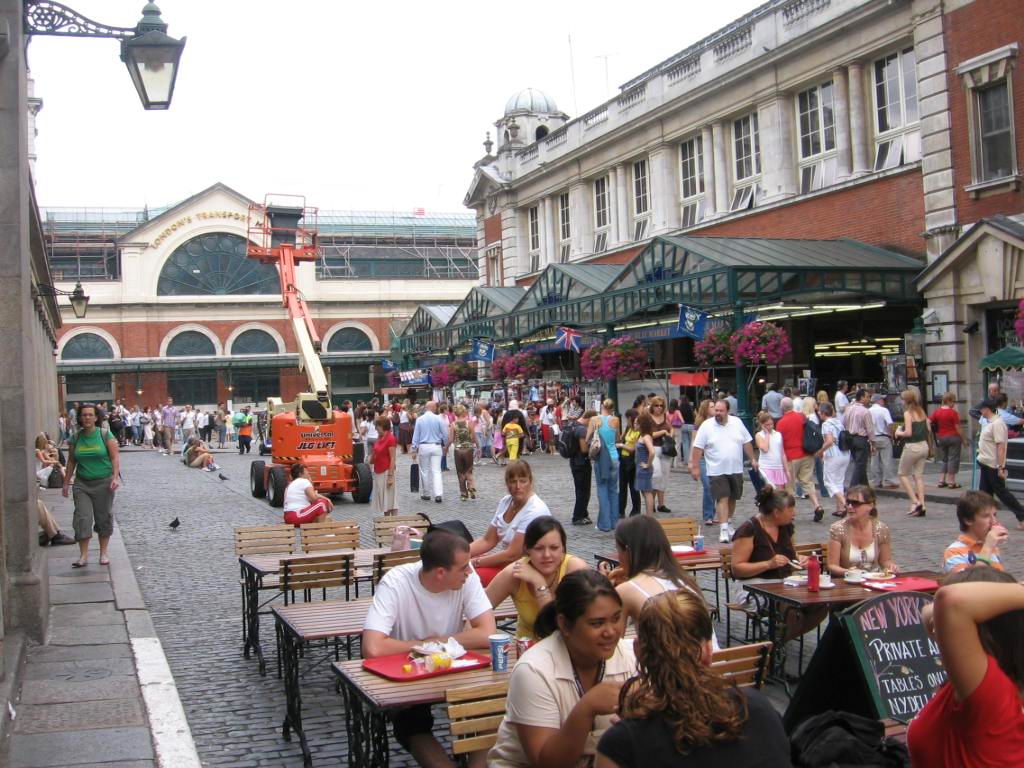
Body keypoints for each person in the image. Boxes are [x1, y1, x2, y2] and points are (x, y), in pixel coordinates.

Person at [595, 590, 792, 768]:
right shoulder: (759, 709)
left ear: (638, 651)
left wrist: (632, 729)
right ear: (707, 650)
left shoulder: (621, 745)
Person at [363, 528, 496, 768]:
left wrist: (440, 642)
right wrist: (426, 646)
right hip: (408, 677)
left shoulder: (466, 576)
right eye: (463, 567)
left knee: (486, 707)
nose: (470, 570)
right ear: (440, 573)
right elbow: (372, 648)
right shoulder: (396, 581)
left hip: (454, 671)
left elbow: (487, 632)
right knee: (412, 723)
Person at [488, 570, 636, 768]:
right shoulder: (534, 670)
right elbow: (547, 763)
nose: (611, 632)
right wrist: (586, 708)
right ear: (565, 624)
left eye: (617, 618)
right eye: (597, 623)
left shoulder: (630, 657)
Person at [907, 568, 1024, 766]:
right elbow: (931, 611)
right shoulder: (971, 675)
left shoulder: (992, 693)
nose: (938, 629)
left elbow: (950, 601)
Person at [485, 517, 588, 641]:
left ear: (563, 548)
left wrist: (539, 583)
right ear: (527, 549)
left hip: (569, 649)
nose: (547, 555)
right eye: (539, 548)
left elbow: (556, 631)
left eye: (554, 548)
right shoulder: (515, 572)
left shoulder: (575, 570)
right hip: (526, 650)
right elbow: (479, 610)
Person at [607, 515, 706, 630]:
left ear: (628, 551)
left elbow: (613, 639)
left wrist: (608, 589)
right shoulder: (685, 580)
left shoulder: (626, 590)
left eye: (618, 549)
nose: (618, 556)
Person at [469, 461, 551, 585]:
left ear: (530, 481)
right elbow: (488, 540)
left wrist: (474, 562)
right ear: (507, 483)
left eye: (523, 481)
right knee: (457, 566)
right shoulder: (505, 501)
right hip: (508, 564)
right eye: (513, 482)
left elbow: (512, 555)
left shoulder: (535, 510)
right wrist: (459, 554)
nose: (518, 486)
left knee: (468, 576)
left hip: (525, 569)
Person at [690, 400, 758, 544]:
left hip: (735, 468)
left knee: (733, 497)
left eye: (721, 411)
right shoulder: (707, 426)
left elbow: (747, 442)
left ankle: (728, 522)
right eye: (716, 410)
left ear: (727, 411)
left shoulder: (737, 423)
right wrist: (695, 466)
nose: (718, 413)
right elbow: (697, 447)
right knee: (722, 497)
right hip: (716, 469)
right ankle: (723, 529)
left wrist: (753, 459)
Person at [63, 404, 120, 568]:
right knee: (82, 518)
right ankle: (83, 555)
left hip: (104, 483)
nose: (87, 418)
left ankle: (103, 553)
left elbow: (115, 458)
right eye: (84, 415)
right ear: (80, 418)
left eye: (90, 415)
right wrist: (66, 483)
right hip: (82, 484)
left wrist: (115, 478)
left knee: (103, 518)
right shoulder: (76, 438)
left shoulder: (105, 435)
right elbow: (71, 461)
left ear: (96, 417)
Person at [730, 486, 805, 580]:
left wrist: (800, 560)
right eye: (790, 510)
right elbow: (737, 569)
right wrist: (768, 564)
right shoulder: (748, 529)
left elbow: (791, 555)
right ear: (776, 512)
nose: (794, 513)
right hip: (753, 586)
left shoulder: (786, 526)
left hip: (784, 583)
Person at [826, 485, 899, 576]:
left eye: (855, 503)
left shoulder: (881, 529)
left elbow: (885, 561)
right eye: (848, 502)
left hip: (873, 580)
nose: (850, 507)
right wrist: (849, 573)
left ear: (870, 505)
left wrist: (891, 567)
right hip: (847, 582)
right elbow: (832, 565)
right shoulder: (838, 529)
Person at [974, 397, 1024, 528]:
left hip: (993, 464)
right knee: (985, 494)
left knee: (1001, 492)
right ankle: (988, 520)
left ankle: (1022, 515)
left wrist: (1001, 467)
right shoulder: (990, 422)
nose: (980, 410)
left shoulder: (997, 423)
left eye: (982, 408)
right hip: (985, 462)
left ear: (986, 409)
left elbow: (1001, 447)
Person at [776, 397, 824, 522]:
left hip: (791, 456)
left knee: (789, 486)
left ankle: (791, 512)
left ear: (781, 408)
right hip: (806, 453)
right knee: (807, 481)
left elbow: (779, 443)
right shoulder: (802, 416)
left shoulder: (781, 423)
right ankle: (817, 506)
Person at [943, 490, 1008, 573]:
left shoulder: (993, 549)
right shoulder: (954, 552)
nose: (994, 521)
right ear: (968, 520)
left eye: (994, 515)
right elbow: (969, 583)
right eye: (986, 516)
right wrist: (988, 547)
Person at [895, 389, 931, 518]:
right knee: (918, 476)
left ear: (905, 401)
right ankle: (922, 504)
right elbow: (928, 428)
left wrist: (899, 432)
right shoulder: (921, 411)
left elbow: (908, 433)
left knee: (902, 474)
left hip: (912, 446)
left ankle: (915, 502)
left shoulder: (908, 413)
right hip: (923, 445)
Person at [587, 399, 621, 532]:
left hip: (601, 458)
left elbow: (588, 437)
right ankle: (614, 522)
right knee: (613, 490)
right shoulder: (616, 420)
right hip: (614, 457)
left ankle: (604, 523)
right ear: (612, 408)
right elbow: (618, 438)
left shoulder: (594, 420)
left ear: (602, 406)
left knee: (602, 489)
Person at [929, 392, 968, 489]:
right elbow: (958, 428)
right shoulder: (953, 413)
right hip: (953, 437)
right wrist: (964, 440)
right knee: (953, 458)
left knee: (945, 459)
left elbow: (928, 421)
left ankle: (941, 480)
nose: (954, 404)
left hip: (941, 438)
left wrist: (931, 432)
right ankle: (951, 481)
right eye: (953, 401)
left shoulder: (937, 412)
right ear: (949, 401)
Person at [411, 401, 447, 504]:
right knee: (437, 471)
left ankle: (426, 493)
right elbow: (445, 434)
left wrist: (414, 448)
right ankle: (438, 494)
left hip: (424, 446)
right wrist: (445, 445)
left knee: (424, 471)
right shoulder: (439, 418)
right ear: (433, 407)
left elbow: (416, 435)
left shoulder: (420, 419)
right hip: (436, 446)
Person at [818, 402, 850, 517]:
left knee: (829, 482)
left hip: (833, 455)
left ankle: (845, 504)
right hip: (845, 453)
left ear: (823, 413)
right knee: (839, 481)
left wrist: (820, 451)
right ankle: (840, 508)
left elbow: (829, 441)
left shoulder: (826, 424)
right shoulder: (838, 422)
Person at [568, 410, 594, 527]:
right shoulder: (582, 429)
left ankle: (583, 513)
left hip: (574, 462)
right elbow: (584, 449)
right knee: (583, 490)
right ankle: (577, 516)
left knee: (581, 489)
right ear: (590, 419)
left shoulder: (573, 425)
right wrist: (594, 450)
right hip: (581, 463)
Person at [841, 388, 873, 486]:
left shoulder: (848, 409)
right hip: (861, 439)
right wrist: (873, 442)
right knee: (860, 465)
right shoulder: (865, 411)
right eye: (867, 397)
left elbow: (843, 423)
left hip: (850, 438)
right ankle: (852, 489)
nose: (869, 399)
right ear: (862, 397)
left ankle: (865, 487)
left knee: (859, 464)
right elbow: (870, 429)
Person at [646, 397, 672, 514]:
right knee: (656, 475)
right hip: (653, 448)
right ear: (652, 406)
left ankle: (661, 504)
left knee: (664, 477)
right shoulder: (648, 418)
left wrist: (670, 434)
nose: (659, 408)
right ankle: (651, 502)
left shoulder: (665, 416)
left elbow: (671, 429)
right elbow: (648, 434)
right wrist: (663, 432)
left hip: (666, 449)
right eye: (657, 405)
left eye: (661, 405)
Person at [691, 399, 715, 525]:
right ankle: (708, 515)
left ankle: (713, 512)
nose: (714, 409)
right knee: (708, 486)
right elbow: (694, 443)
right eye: (712, 407)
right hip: (702, 458)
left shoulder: (717, 423)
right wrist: (692, 462)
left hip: (714, 458)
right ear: (706, 409)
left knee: (715, 485)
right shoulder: (699, 424)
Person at [866, 393, 897, 489]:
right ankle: (888, 480)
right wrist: (891, 435)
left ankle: (875, 481)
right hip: (884, 437)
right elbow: (890, 424)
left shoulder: (868, 411)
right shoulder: (884, 410)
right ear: (878, 400)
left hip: (873, 437)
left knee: (874, 461)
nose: (884, 401)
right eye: (882, 399)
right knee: (886, 460)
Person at [371, 415, 398, 516]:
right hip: (378, 471)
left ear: (382, 426)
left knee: (391, 500)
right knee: (385, 500)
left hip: (386, 471)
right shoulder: (380, 438)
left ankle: (393, 523)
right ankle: (387, 522)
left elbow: (392, 458)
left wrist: (390, 476)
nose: (375, 429)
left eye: (377, 426)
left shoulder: (390, 439)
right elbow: (374, 455)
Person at [615, 409, 641, 518]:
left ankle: (636, 509)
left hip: (632, 460)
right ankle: (621, 510)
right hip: (623, 459)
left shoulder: (639, 432)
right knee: (622, 486)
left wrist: (621, 446)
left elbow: (633, 448)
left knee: (633, 487)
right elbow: (622, 439)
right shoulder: (628, 428)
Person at [754, 411, 789, 489]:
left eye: (771, 424)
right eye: (767, 425)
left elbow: (782, 453)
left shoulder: (778, 434)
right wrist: (767, 434)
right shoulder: (759, 435)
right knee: (769, 493)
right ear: (762, 425)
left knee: (780, 493)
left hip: (778, 466)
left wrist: (786, 470)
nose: (770, 427)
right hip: (766, 466)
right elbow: (765, 449)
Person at [633, 414, 658, 516]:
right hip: (640, 467)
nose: (634, 425)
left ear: (641, 424)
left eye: (636, 423)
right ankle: (649, 515)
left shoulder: (646, 437)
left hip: (644, 468)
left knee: (647, 492)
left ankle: (649, 516)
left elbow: (652, 451)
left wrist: (648, 464)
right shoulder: (642, 435)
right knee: (644, 491)